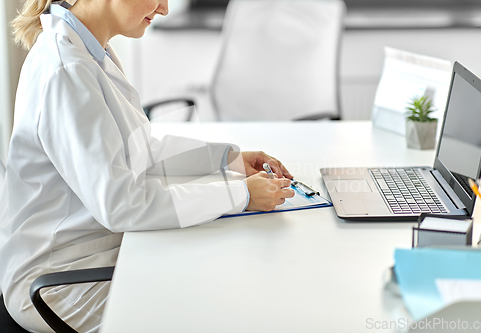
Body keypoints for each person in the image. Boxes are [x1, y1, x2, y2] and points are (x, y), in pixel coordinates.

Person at [0, 0, 295, 331]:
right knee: (220, 308)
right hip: (63, 283)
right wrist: (239, 195)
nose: (165, 8)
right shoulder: (66, 69)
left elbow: (141, 149)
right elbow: (122, 205)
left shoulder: (92, 52)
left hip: (106, 253)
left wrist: (230, 161)